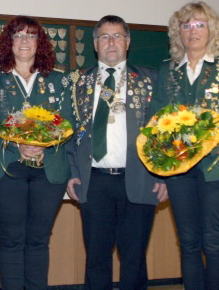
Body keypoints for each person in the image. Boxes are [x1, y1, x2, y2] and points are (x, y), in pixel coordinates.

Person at [66, 15, 167, 290]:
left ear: (128, 42)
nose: (112, 42)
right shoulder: (77, 82)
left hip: (139, 178)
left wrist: (164, 177)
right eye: (105, 37)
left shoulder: (150, 80)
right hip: (94, 180)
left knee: (134, 259)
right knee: (97, 258)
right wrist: (73, 173)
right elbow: (68, 132)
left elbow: (165, 133)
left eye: (118, 36)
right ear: (96, 44)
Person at [150, 1, 219, 290]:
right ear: (177, 32)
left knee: (213, 241)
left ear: (211, 29)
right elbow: (159, 113)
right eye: (186, 25)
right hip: (179, 167)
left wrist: (213, 140)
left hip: (216, 162)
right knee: (188, 243)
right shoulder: (169, 70)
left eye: (200, 24)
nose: (193, 31)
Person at [0, 15, 72, 289]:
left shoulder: (57, 79)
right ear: (9, 41)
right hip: (6, 168)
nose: (24, 41)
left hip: (48, 169)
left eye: (31, 35)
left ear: (39, 42)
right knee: (11, 240)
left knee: (39, 240)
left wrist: (44, 144)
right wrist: (17, 144)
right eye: (18, 35)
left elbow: (68, 121)